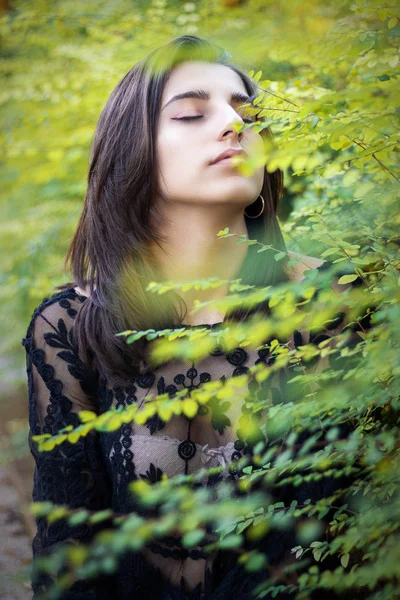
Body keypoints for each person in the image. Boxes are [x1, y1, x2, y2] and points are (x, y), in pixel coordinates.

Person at [23, 35, 336, 600]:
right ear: (130, 155)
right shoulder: (67, 325)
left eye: (249, 114)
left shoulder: (330, 303)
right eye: (191, 113)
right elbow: (68, 556)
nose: (232, 125)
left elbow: (329, 541)